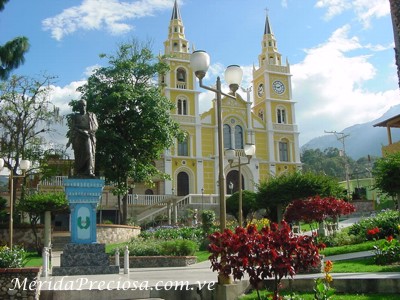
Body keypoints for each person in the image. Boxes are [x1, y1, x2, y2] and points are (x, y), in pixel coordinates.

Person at [66, 100, 98, 178]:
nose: (82, 107)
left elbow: (95, 127)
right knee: (79, 156)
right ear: (78, 107)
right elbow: (72, 129)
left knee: (89, 152)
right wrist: (69, 141)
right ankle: (79, 172)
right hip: (78, 137)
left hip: (88, 136)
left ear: (86, 106)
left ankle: (89, 171)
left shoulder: (91, 115)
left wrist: (87, 132)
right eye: (80, 105)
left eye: (83, 105)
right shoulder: (75, 116)